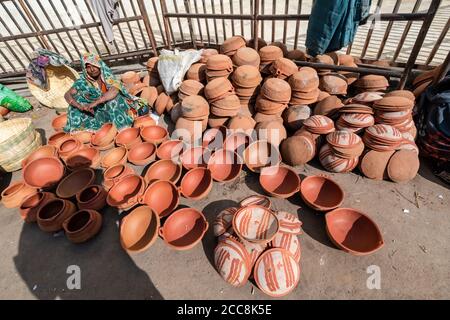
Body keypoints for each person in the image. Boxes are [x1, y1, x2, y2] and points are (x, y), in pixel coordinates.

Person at [64, 52, 148, 132]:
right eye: (88, 67)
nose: (92, 69)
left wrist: (95, 103)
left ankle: (121, 127)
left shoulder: (108, 77)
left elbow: (114, 91)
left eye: (94, 65)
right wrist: (79, 106)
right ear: (84, 69)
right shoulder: (82, 82)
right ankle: (89, 130)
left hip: (112, 105)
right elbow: (67, 94)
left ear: (99, 65)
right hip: (94, 110)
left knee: (113, 101)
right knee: (76, 101)